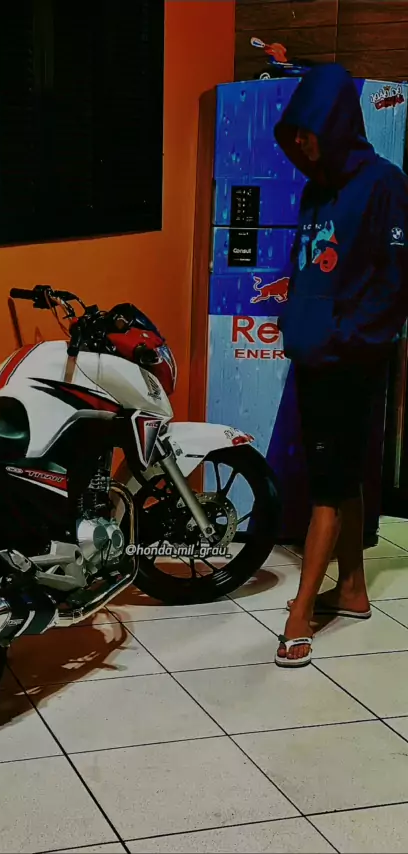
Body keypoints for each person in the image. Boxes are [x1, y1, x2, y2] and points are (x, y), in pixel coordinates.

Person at [272, 63, 408, 667]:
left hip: (351, 361)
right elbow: (306, 268)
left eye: (309, 130)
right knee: (341, 475)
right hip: (314, 355)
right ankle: (351, 589)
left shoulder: (384, 184)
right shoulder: (315, 190)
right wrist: (299, 324)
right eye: (294, 132)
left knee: (327, 488)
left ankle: (298, 616)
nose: (301, 141)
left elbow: (394, 282)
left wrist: (347, 338)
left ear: (335, 123)